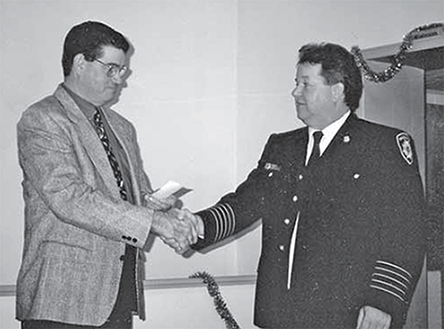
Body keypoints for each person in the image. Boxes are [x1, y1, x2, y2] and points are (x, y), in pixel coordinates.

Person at [180, 43, 426, 328]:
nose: (295, 92)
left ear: (337, 90)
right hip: (281, 312)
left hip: (347, 314)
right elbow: (246, 202)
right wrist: (199, 225)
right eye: (296, 83)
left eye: (305, 84)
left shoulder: (381, 146)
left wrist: (383, 302)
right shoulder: (282, 146)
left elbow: (406, 233)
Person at [16, 21, 198, 329]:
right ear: (79, 63)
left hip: (118, 294)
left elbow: (130, 199)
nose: (120, 80)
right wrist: (154, 223)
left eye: (123, 71)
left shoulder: (121, 127)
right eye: (112, 68)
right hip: (62, 300)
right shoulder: (42, 119)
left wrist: (162, 209)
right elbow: (70, 199)